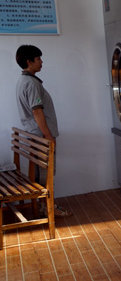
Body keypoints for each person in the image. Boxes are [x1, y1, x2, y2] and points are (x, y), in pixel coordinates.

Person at [15, 45, 70, 217]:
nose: (41, 62)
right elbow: (37, 111)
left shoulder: (23, 81)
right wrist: (48, 135)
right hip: (41, 135)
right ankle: (48, 208)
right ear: (29, 61)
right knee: (47, 173)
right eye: (38, 59)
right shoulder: (31, 83)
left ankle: (43, 206)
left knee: (41, 173)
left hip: (34, 134)